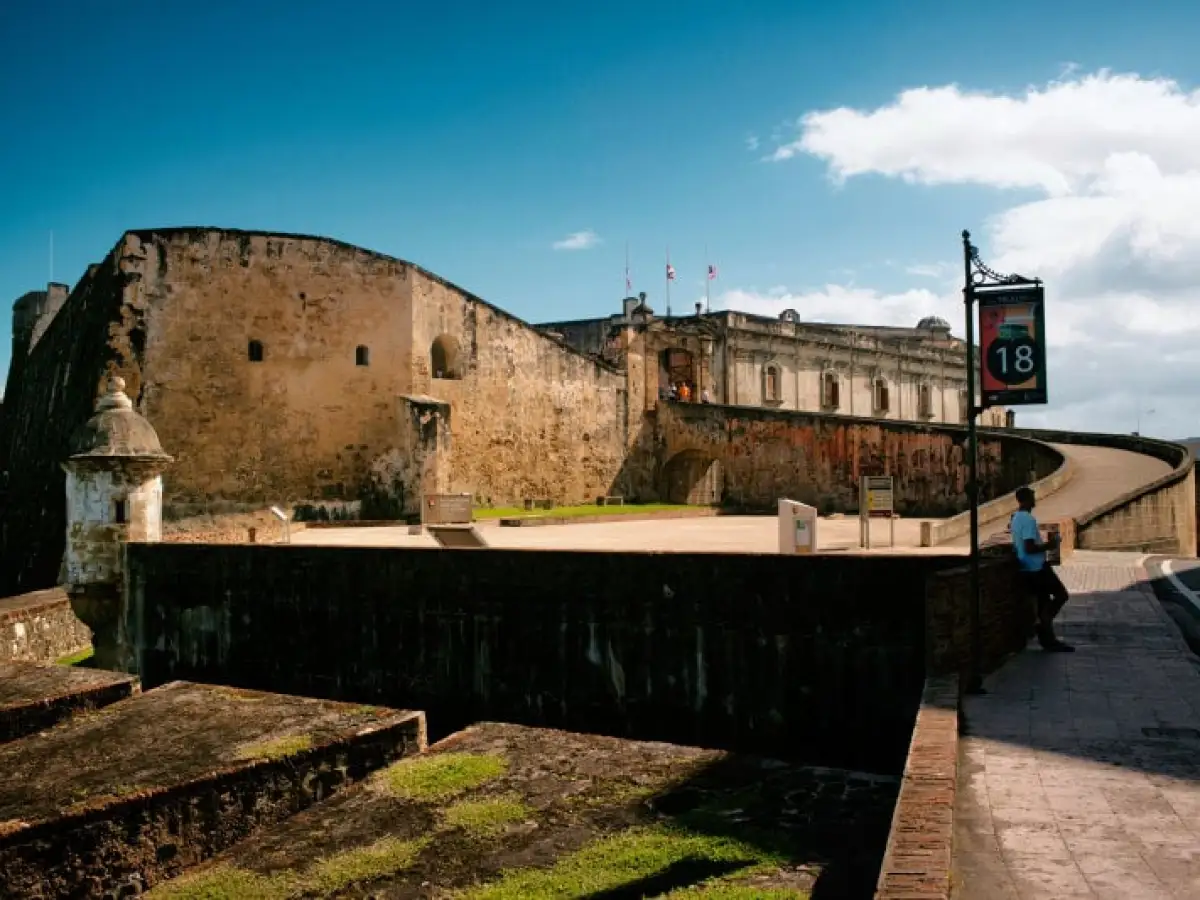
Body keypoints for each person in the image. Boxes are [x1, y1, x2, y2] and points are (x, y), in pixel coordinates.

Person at [1010, 486, 1074, 652]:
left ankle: (1048, 641)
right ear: (1025, 500)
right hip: (1037, 567)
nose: (1034, 500)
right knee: (1061, 595)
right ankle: (1042, 621)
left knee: (1043, 601)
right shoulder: (1028, 520)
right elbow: (1030, 547)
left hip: (1026, 566)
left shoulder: (1016, 518)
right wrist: (1050, 545)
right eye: (1032, 497)